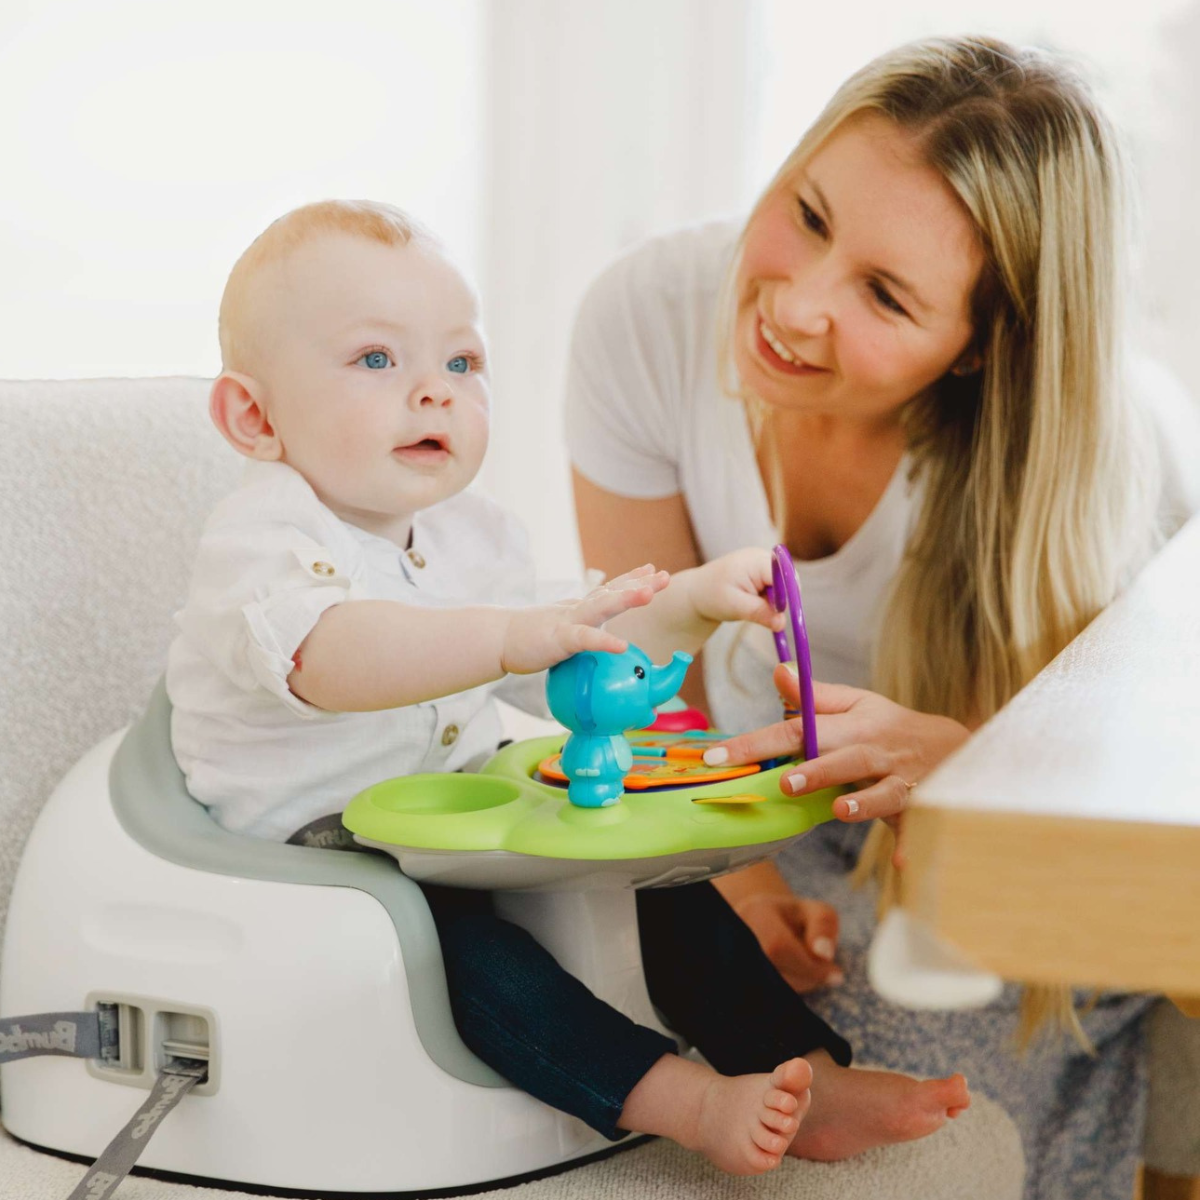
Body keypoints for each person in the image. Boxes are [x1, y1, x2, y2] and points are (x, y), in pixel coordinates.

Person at [166, 199, 971, 1178]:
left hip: (444, 820)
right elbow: (330, 659)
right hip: (314, 854)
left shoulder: (472, 533)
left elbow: (574, 666)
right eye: (378, 360)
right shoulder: (267, 538)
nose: (434, 392)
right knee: (462, 956)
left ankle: (805, 1076)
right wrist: (510, 638)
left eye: (461, 362)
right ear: (254, 415)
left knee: (659, 881)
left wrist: (689, 602)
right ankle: (685, 1100)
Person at [566, 35, 1199, 1200]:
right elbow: (650, 675)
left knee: (894, 1103)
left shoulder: (1106, 469)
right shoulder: (650, 317)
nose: (794, 307)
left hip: (1020, 845)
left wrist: (973, 772)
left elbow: (1134, 840)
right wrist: (738, 882)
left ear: (977, 349)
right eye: (808, 214)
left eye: (885, 295)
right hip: (769, 794)